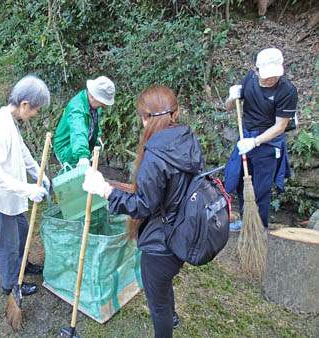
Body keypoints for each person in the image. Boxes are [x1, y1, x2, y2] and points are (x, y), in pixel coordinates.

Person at [83, 85, 204, 338]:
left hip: (162, 243)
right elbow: (168, 190)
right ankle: (171, 314)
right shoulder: (188, 139)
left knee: (156, 304)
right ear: (176, 112)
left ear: (144, 118)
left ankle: (166, 321)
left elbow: (143, 205)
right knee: (163, 284)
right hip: (184, 229)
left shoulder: (154, 154)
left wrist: (105, 191)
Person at [0, 75, 51, 296]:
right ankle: (10, 284)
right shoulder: (0, 127)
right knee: (9, 242)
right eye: (36, 110)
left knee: (22, 230)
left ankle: (23, 266)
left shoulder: (10, 120)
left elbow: (22, 151)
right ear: (25, 104)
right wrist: (28, 190)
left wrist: (39, 174)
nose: (35, 114)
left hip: (10, 194)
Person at [224, 47, 297, 231]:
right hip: (246, 134)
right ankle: (245, 220)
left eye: (275, 75)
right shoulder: (249, 79)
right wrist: (232, 97)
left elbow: (280, 126)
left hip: (268, 142)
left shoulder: (287, 91)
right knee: (242, 181)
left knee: (261, 188)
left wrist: (255, 142)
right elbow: (229, 107)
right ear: (256, 70)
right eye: (266, 75)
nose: (271, 79)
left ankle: (260, 227)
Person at [53, 76, 115, 167]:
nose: (103, 105)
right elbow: (78, 132)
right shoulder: (77, 109)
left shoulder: (94, 105)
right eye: (102, 102)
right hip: (67, 148)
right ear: (92, 96)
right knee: (73, 178)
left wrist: (97, 138)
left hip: (81, 145)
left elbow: (94, 123)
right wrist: (82, 156)